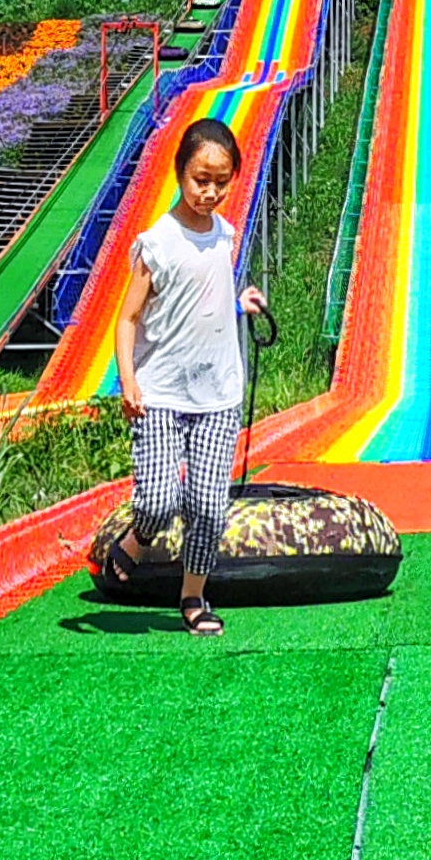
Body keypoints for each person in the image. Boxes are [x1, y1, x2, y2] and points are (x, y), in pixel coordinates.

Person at [109, 117, 269, 635]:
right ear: (180, 172)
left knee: (208, 505)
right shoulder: (157, 242)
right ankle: (136, 539)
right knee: (157, 500)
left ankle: (194, 596)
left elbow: (209, 294)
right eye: (201, 179)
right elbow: (127, 317)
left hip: (218, 391)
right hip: (160, 391)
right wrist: (128, 380)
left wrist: (241, 303)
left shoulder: (225, 236)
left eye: (222, 181)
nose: (210, 191)